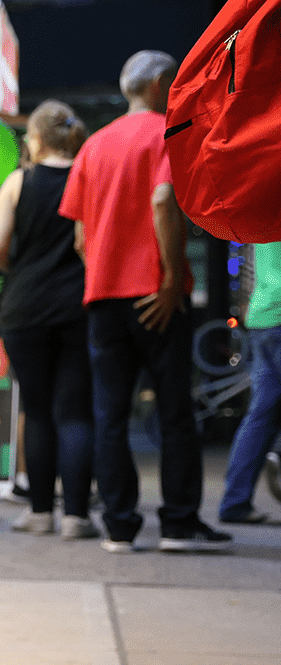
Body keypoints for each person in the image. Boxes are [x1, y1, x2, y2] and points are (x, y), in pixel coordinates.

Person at [58, 51, 232, 553]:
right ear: (159, 84)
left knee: (110, 414)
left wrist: (106, 272)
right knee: (174, 410)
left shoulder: (93, 145)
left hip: (104, 296)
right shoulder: (166, 133)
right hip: (155, 294)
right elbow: (163, 201)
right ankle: (178, 523)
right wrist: (171, 277)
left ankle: (119, 526)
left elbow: (78, 236)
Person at [0, 100, 99, 540]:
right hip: (78, 307)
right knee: (74, 411)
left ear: (34, 139)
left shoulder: (20, 181)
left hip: (25, 308)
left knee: (37, 409)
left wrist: (24, 268)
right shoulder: (85, 178)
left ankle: (38, 513)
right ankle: (76, 516)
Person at [218, 241, 281, 524]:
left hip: (263, 314)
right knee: (263, 413)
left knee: (261, 414)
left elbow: (244, 263)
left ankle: (235, 502)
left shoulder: (260, 208)